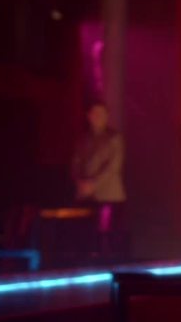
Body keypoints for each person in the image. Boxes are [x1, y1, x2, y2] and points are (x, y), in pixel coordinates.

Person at [71, 102, 126, 256]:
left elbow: (113, 166)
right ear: (88, 116)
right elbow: (75, 164)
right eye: (95, 113)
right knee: (85, 236)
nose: (98, 117)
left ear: (107, 116)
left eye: (101, 114)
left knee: (106, 235)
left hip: (109, 196)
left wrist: (94, 184)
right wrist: (79, 182)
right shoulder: (83, 139)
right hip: (85, 196)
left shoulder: (114, 138)